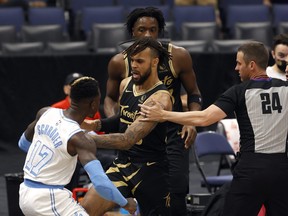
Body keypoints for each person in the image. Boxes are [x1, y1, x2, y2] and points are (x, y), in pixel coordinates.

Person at [139, 41, 288, 215]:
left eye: (239, 63)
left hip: (251, 170)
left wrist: (163, 115)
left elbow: (204, 118)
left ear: (252, 65)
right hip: (282, 170)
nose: (236, 68)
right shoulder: (285, 89)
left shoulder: (239, 91)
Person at [102, 7, 202, 215]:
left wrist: (191, 121)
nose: (148, 35)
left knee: (176, 188)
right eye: (142, 30)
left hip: (170, 133)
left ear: (159, 32)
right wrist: (117, 122)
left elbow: (194, 94)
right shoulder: (119, 62)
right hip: (135, 136)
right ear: (132, 33)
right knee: (117, 195)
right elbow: (110, 98)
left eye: (153, 30)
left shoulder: (178, 56)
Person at [80, 37, 173, 216]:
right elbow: (122, 118)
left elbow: (127, 140)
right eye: (132, 60)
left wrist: (86, 139)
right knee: (85, 211)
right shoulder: (126, 83)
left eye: (139, 61)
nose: (134, 65)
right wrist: (94, 124)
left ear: (154, 62)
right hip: (122, 165)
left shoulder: (159, 99)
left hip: (150, 171)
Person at [18, 77, 136, 215]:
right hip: (48, 199)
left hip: (25, 191)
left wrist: (53, 155)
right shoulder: (80, 138)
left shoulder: (45, 112)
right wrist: (125, 203)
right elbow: (100, 182)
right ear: (93, 104)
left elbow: (22, 143)